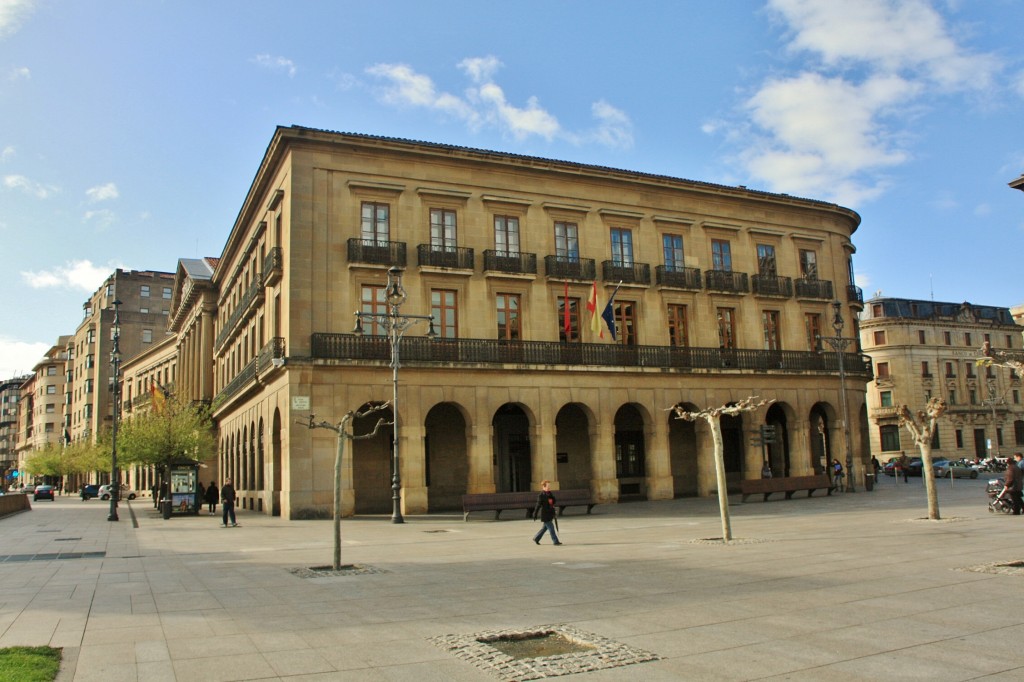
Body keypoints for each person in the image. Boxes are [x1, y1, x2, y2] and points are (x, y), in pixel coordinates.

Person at [532, 480, 561, 545]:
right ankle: (555, 541)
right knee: (551, 528)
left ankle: (536, 538)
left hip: (550, 513)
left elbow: (553, 502)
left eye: (549, 486)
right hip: (545, 515)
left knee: (544, 529)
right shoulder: (541, 495)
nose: (549, 487)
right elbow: (538, 505)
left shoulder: (550, 493)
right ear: (544, 487)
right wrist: (535, 514)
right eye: (548, 486)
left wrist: (552, 499)